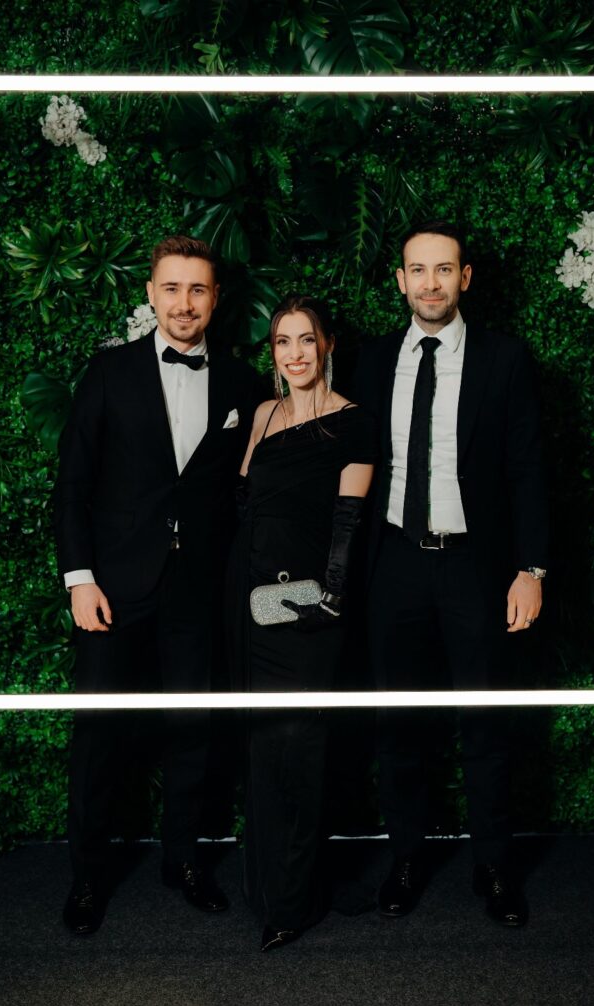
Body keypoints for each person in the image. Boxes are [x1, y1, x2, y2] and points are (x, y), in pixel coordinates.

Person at [54, 235, 263, 934]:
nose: (184, 303)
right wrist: (80, 580)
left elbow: (246, 496)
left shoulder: (241, 384)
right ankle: (88, 878)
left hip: (198, 591)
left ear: (215, 299)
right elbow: (73, 486)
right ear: (150, 294)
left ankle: (185, 863)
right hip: (113, 590)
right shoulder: (108, 372)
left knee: (192, 731)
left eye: (197, 289)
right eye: (171, 288)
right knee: (98, 735)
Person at [353, 220, 548, 927]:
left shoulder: (505, 359)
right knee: (396, 722)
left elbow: (528, 470)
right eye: (417, 270)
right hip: (394, 562)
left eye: (444, 270)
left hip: (475, 565)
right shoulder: (372, 360)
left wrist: (530, 568)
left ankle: (493, 866)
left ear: (464, 278)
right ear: (399, 280)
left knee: (485, 721)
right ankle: (406, 858)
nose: (430, 283)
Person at [229, 296, 377, 951]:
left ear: (327, 345)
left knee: (300, 748)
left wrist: (328, 602)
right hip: (249, 604)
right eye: (283, 342)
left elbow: (347, 526)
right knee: (263, 748)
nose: (294, 353)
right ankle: (270, 890)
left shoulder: (354, 422)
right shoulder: (263, 415)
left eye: (306, 340)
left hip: (309, 611)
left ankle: (294, 901)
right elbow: (245, 504)